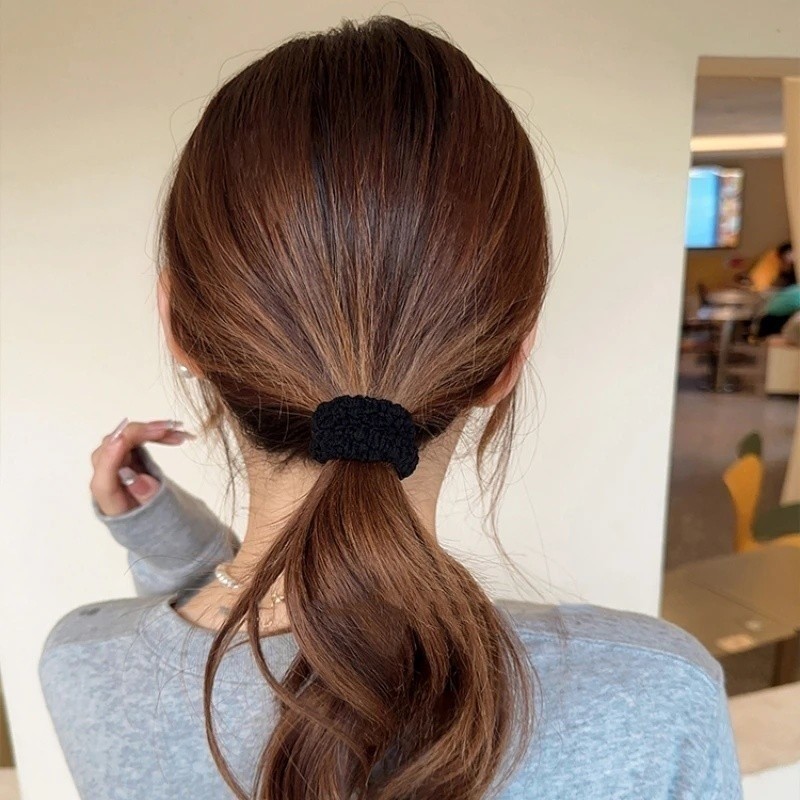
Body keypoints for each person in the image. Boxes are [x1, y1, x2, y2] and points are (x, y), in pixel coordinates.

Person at [39, 17, 742, 800]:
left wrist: (165, 549)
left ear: (177, 325)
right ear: (509, 362)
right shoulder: (654, 699)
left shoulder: (82, 669)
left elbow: (200, 667)